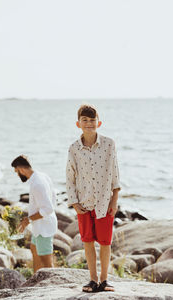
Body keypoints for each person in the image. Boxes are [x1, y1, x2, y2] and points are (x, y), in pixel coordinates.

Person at [66, 104, 120, 292]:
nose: (89, 123)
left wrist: (114, 200)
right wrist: (74, 202)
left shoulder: (109, 144)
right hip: (84, 203)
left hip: (104, 202)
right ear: (78, 123)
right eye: (85, 120)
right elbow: (70, 176)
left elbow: (115, 173)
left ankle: (105, 280)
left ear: (99, 122)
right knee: (87, 241)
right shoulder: (73, 149)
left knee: (105, 242)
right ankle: (92, 279)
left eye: (92, 120)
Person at [11, 155, 57, 273]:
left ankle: (51, 287)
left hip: (44, 227)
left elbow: (48, 209)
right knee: (34, 249)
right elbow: (53, 198)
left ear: (21, 169)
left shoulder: (37, 184)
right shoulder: (41, 176)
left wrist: (28, 219)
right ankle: (36, 280)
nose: (17, 175)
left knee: (47, 262)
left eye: (17, 172)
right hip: (39, 226)